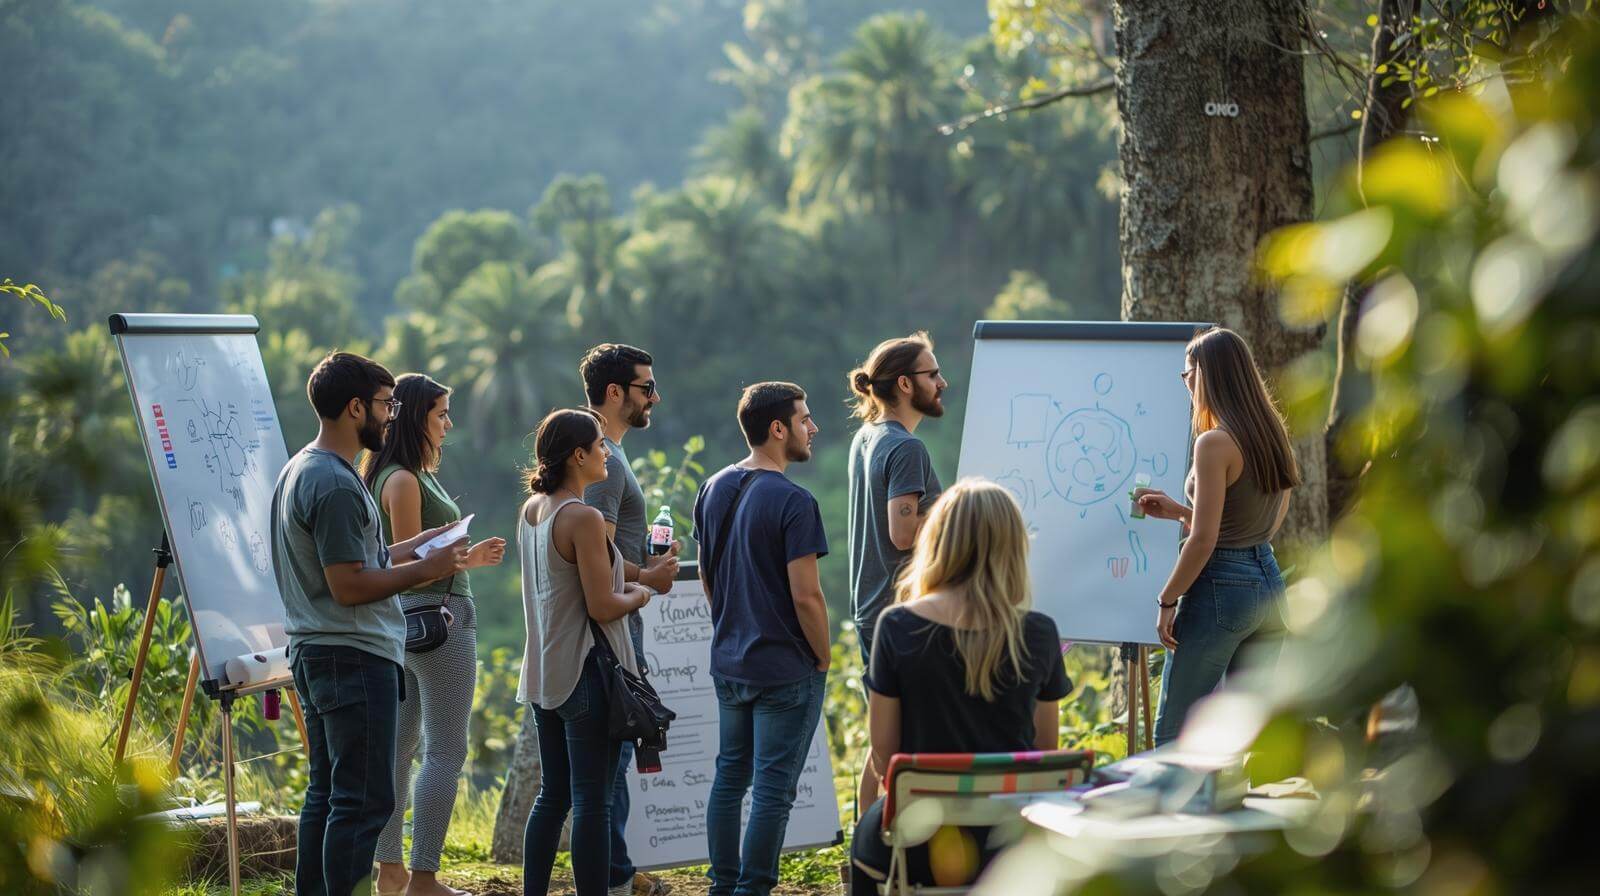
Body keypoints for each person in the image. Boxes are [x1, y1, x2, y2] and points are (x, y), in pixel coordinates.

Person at [271, 351, 470, 896]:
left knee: (330, 794)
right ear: (355, 407)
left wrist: (422, 547)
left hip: (319, 651)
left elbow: (365, 555)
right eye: (385, 404)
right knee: (363, 801)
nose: (390, 415)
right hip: (350, 656)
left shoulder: (303, 468)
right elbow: (349, 584)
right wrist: (425, 570)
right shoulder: (334, 484)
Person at [849, 480, 1070, 895]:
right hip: (1010, 845)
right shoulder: (1038, 634)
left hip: (920, 839)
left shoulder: (898, 626)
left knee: (866, 833)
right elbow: (1046, 755)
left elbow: (884, 754)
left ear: (938, 541)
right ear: (1014, 547)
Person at [364, 374, 507, 896]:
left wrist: (471, 560)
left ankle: (391, 872)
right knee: (445, 750)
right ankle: (423, 877)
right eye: (441, 413)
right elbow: (411, 563)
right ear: (416, 416)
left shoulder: (400, 475)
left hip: (410, 620)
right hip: (436, 620)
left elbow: (420, 560)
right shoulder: (403, 480)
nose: (448, 424)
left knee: (399, 750)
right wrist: (459, 560)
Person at [693, 382, 831, 896]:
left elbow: (708, 574)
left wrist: (730, 625)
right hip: (784, 668)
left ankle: (722, 886)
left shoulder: (713, 486)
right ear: (778, 429)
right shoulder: (795, 501)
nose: (812, 428)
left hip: (729, 661)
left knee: (730, 777)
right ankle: (753, 889)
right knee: (774, 788)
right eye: (805, 418)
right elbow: (807, 598)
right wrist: (823, 656)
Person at [1134, 326, 1298, 746]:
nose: (1185, 382)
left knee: (1176, 731)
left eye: (1187, 374)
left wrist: (1166, 599)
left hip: (1221, 588)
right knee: (1237, 729)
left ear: (1205, 374)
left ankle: (1175, 813)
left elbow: (1205, 541)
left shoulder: (1214, 443)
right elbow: (1261, 523)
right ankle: (1227, 806)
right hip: (1268, 583)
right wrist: (1180, 512)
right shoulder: (1273, 433)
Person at [518, 409, 654, 896]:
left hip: (543, 672)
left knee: (552, 796)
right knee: (593, 802)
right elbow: (602, 605)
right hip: (586, 673)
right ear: (579, 455)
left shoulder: (534, 510)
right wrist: (642, 595)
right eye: (599, 445)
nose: (606, 452)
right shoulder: (583, 517)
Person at [577, 344, 679, 896]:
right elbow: (601, 554)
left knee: (614, 759)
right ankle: (613, 879)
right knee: (611, 760)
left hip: (615, 620)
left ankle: (617, 870)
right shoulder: (602, 459)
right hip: (608, 628)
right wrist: (652, 577)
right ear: (615, 393)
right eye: (646, 387)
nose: (655, 397)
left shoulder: (607, 450)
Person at [844, 332, 947, 809]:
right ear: (906, 384)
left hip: (873, 606)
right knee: (907, 739)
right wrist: (960, 511)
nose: (942, 382)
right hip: (903, 609)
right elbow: (903, 534)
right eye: (932, 374)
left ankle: (866, 856)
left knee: (885, 740)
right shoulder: (907, 448)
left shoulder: (867, 437)